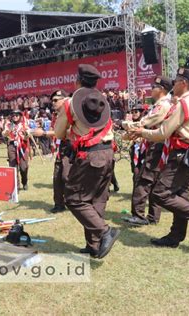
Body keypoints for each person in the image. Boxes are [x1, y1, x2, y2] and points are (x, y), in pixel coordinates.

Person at [130, 68, 189, 248]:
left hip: (181, 155)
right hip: (185, 155)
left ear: (183, 83)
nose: (173, 85)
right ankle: (175, 236)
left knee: (161, 193)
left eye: (175, 81)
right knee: (180, 195)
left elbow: (163, 132)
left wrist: (141, 132)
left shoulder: (184, 103)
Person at [54, 64, 120, 259]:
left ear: (77, 81)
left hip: (89, 154)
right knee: (96, 199)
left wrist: (70, 131)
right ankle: (94, 245)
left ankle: (104, 232)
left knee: (74, 198)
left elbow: (59, 133)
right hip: (107, 152)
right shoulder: (103, 101)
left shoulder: (71, 102)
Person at [122, 75, 172, 225]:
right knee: (154, 181)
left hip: (157, 144)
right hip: (158, 144)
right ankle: (152, 217)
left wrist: (125, 124)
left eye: (153, 87)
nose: (151, 90)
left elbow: (146, 122)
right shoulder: (162, 104)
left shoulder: (162, 105)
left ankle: (139, 215)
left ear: (162, 89)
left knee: (144, 179)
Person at [3, 110, 30, 191]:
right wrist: (6, 133)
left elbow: (27, 135)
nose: (15, 116)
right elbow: (4, 133)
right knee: (13, 166)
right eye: (13, 115)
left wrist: (26, 134)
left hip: (22, 146)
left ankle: (24, 182)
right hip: (12, 146)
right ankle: (16, 186)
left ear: (20, 116)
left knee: (23, 167)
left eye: (17, 115)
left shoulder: (24, 125)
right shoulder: (8, 125)